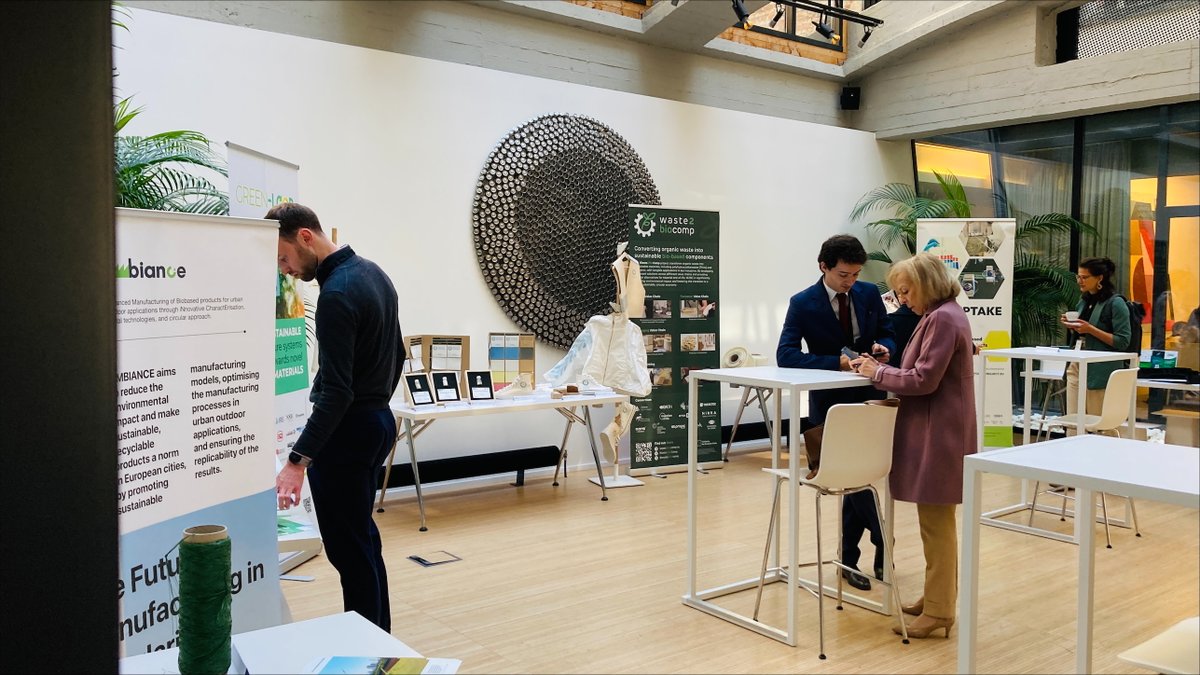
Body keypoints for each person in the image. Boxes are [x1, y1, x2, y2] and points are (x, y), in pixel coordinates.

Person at [271, 202, 405, 632]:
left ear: (305, 237)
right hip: (376, 423)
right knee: (362, 543)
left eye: (284, 258)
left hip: (347, 436)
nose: (286, 270)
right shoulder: (374, 274)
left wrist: (296, 462)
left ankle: (368, 651)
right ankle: (380, 640)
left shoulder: (336, 295)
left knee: (350, 552)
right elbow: (398, 355)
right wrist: (375, 400)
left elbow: (336, 393)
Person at [855, 252, 976, 640]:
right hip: (939, 428)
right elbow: (922, 370)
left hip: (939, 431)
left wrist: (879, 373)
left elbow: (924, 380)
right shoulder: (943, 314)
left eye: (906, 291)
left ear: (926, 283)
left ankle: (940, 610)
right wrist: (890, 366)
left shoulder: (941, 317)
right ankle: (937, 597)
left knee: (936, 524)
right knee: (935, 523)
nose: (902, 299)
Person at [777, 234, 896, 591]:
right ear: (824, 267)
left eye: (857, 274)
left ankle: (849, 558)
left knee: (859, 478)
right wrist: (836, 363)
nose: (851, 282)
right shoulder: (802, 303)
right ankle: (882, 540)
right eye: (845, 274)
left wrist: (883, 348)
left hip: (870, 396)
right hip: (829, 407)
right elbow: (786, 355)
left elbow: (889, 334)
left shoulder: (870, 294)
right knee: (849, 479)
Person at [1061, 257, 1131, 416]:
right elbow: (1083, 332)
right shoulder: (1084, 301)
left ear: (1100, 278)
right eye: (1078, 276)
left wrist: (1090, 329)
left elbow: (1123, 341)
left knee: (1098, 421)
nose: (1080, 281)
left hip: (1100, 369)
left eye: (1085, 277)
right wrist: (1073, 326)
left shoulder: (1116, 303)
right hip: (1077, 363)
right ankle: (1073, 441)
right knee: (1073, 418)